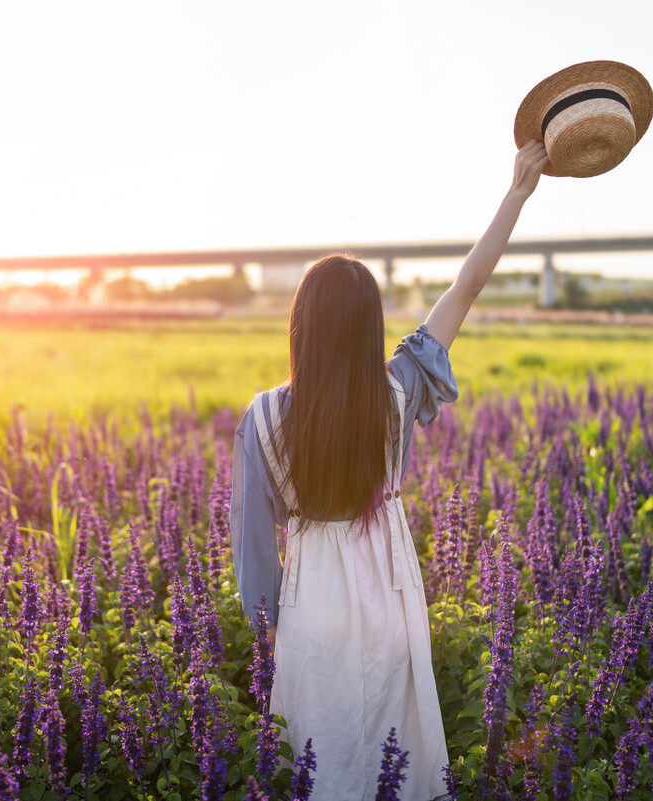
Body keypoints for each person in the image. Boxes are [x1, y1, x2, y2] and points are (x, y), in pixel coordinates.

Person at [230, 140, 550, 800]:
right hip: (391, 599)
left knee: (321, 766)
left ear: (301, 327)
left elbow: (254, 560)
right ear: (370, 326)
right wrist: (515, 195)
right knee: (393, 761)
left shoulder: (262, 417)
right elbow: (466, 288)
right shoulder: (399, 391)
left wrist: (267, 647)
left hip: (310, 606)